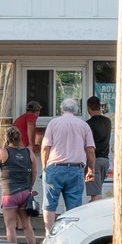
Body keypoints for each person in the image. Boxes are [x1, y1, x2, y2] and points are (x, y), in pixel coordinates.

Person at [40, 97, 95, 234]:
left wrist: (44, 166)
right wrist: (91, 169)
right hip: (76, 169)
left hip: (54, 167)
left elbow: (45, 147)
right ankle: (69, 235)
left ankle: (49, 234)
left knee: (49, 204)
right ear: (76, 110)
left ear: (61, 109)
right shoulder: (83, 125)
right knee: (74, 206)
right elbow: (90, 150)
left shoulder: (53, 123)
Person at [0, 126, 38, 244]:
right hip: (25, 192)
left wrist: (0, 151)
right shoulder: (29, 152)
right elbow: (34, 172)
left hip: (9, 193)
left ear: (7, 138)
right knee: (27, 226)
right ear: (20, 138)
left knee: (10, 227)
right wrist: (29, 187)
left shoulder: (3, 152)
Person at [85, 96, 112, 201]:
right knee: (97, 190)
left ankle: (95, 215)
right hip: (105, 160)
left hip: (94, 161)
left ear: (88, 108)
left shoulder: (89, 124)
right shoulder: (107, 122)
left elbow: (88, 146)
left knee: (95, 195)